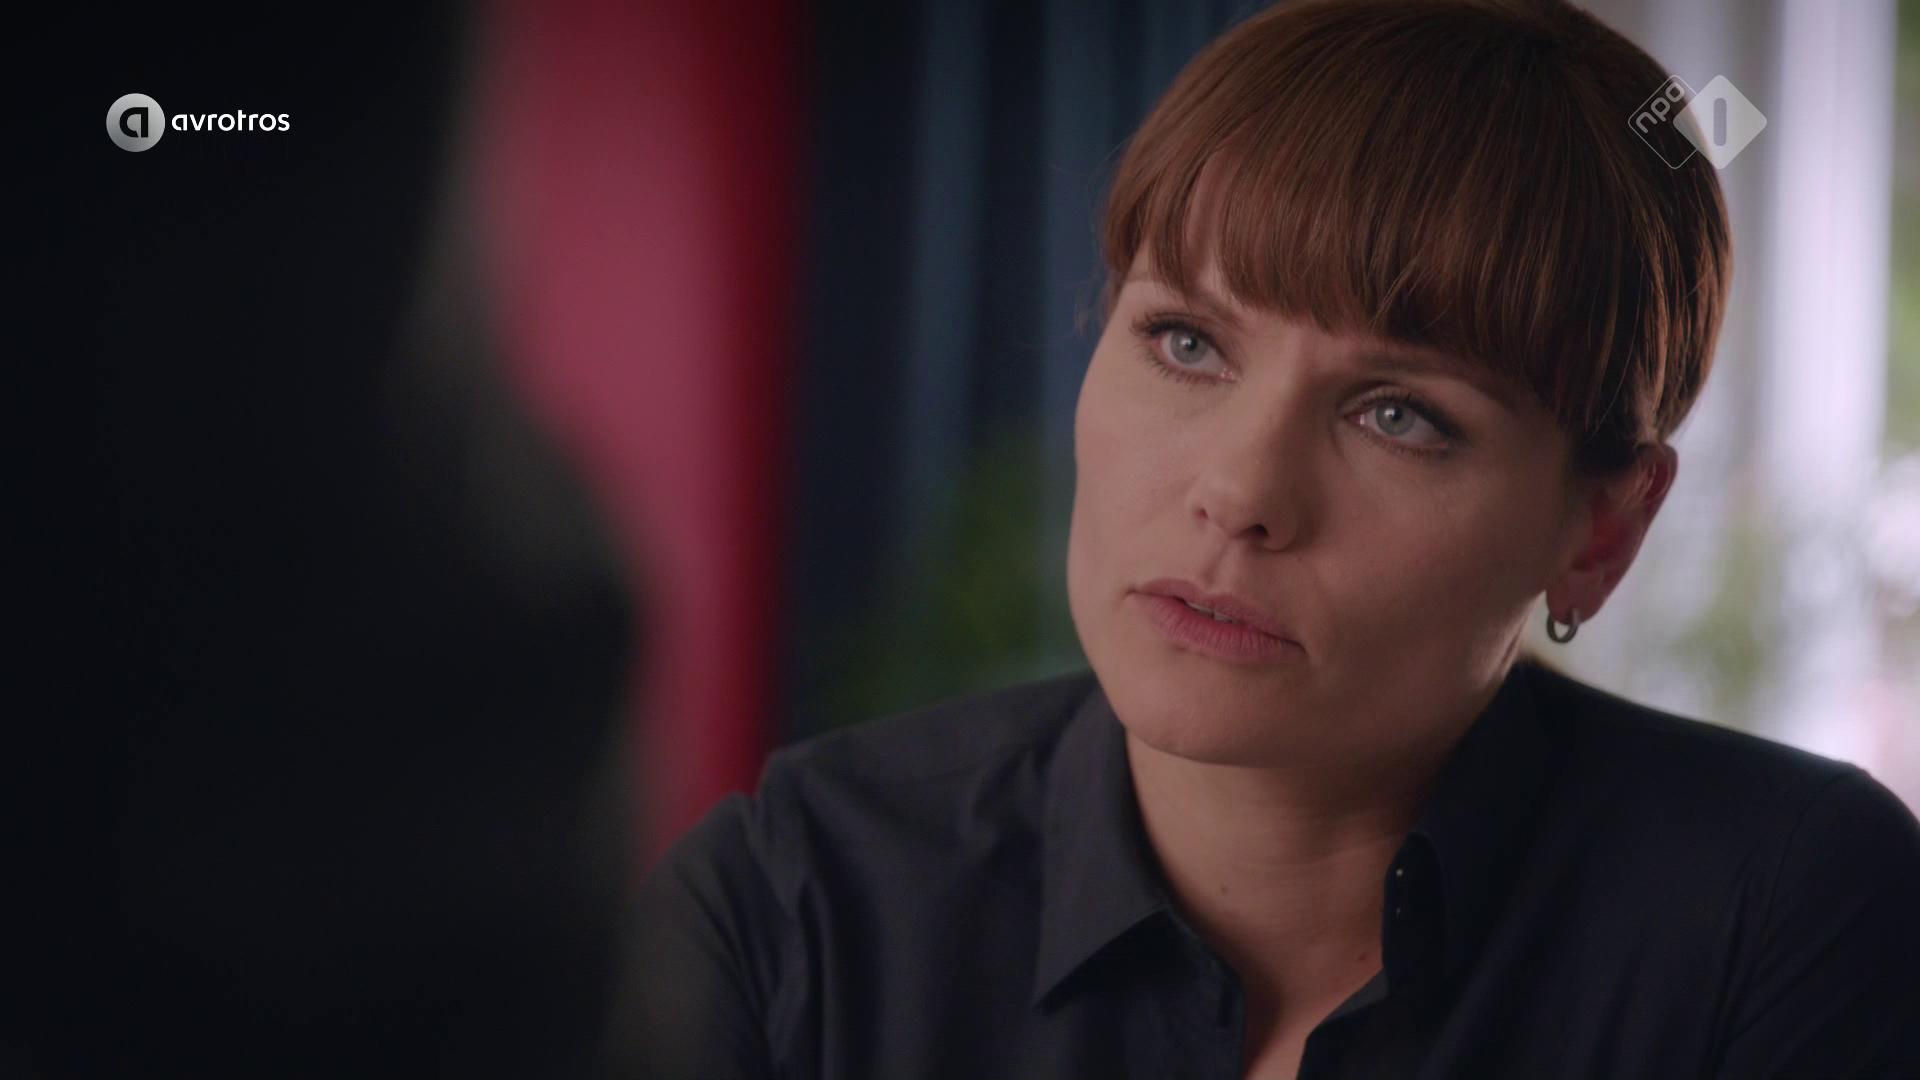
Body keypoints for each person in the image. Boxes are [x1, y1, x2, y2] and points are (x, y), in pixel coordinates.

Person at [618, 0, 1920, 1076]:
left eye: (1402, 415)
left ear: (1602, 531)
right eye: (1187, 342)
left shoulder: (1783, 916)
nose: (1241, 492)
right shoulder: (797, 909)